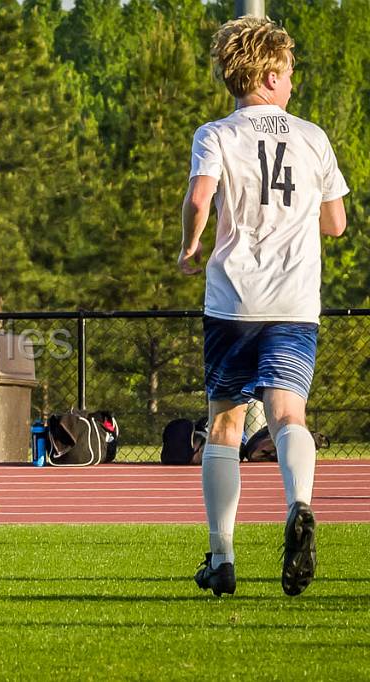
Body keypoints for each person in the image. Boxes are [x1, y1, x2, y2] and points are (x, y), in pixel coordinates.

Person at [179, 17, 348, 596]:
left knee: (224, 425)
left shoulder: (217, 133)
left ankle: (222, 557)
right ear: (272, 73)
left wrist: (189, 246)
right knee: (287, 417)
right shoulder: (313, 136)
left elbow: (200, 197)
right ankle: (299, 503)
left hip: (234, 300)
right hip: (296, 301)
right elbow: (337, 223)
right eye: (292, 71)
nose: (294, 81)